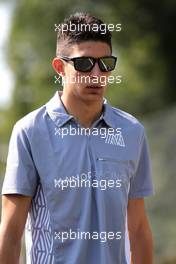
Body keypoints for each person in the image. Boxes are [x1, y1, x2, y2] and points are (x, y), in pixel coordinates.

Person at [0, 12, 154, 264]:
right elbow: (10, 233)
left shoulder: (132, 132)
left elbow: (137, 229)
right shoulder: (30, 131)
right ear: (60, 67)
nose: (96, 75)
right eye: (84, 64)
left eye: (105, 64)